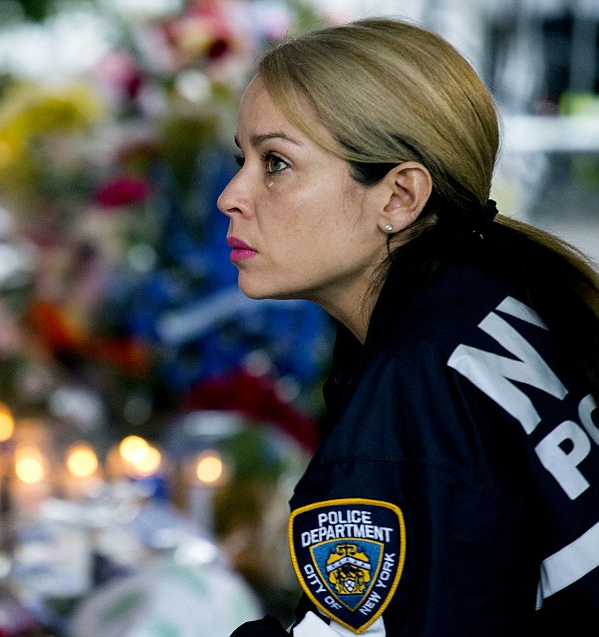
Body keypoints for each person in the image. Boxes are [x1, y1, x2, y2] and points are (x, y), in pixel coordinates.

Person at [218, 16, 599, 637]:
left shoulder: (415, 387)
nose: (231, 195)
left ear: (399, 197)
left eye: (277, 163)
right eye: (244, 159)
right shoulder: (490, 297)